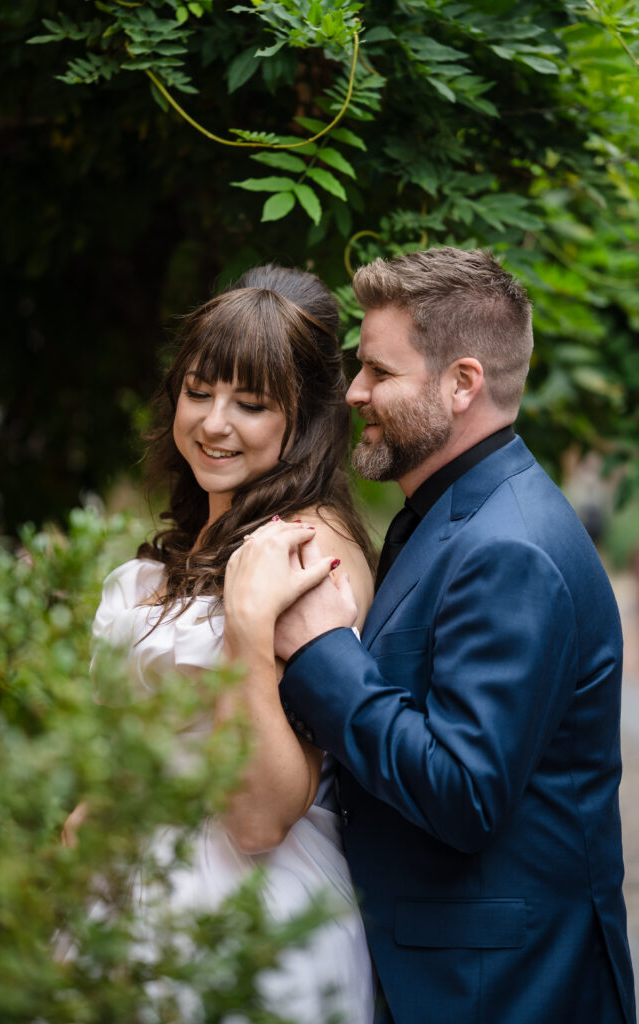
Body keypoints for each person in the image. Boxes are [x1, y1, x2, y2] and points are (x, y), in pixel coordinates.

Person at [226, 248, 637, 1024]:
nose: (353, 391)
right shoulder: (452, 514)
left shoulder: (509, 547)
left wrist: (321, 652)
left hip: (500, 990)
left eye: (378, 371)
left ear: (461, 383)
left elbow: (464, 793)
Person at [90, 265, 376, 1023]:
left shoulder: (305, 554)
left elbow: (257, 819)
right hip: (132, 906)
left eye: (250, 404)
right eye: (198, 392)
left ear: (305, 420)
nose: (214, 424)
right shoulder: (195, 543)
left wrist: (246, 629)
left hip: (252, 920)